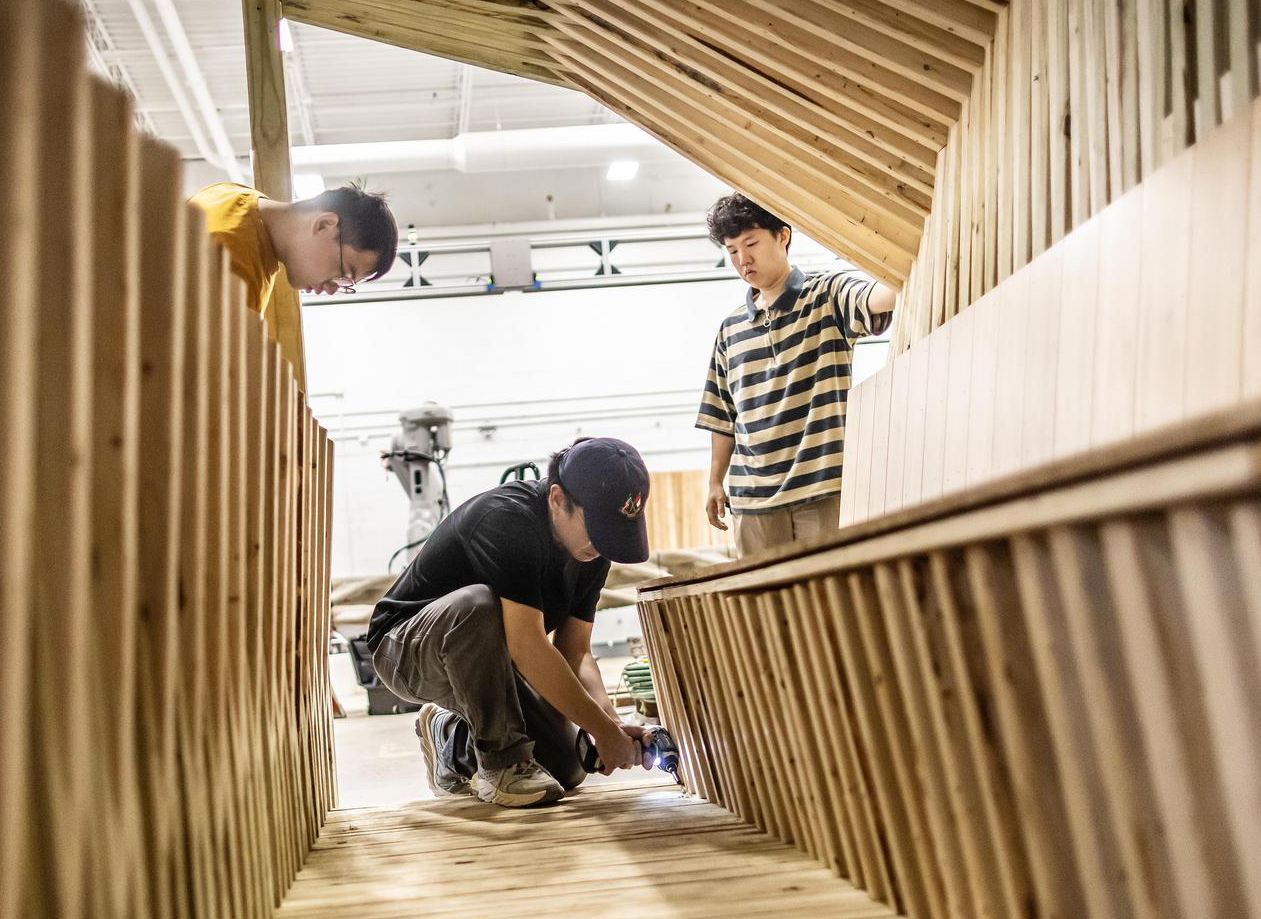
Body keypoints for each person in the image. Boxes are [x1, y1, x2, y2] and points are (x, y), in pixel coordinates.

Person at [366, 438, 655, 808]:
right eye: (596, 529)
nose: (601, 546)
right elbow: (527, 646)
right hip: (405, 650)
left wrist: (608, 725)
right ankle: (499, 765)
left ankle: (450, 738)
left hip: (489, 664)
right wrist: (600, 729)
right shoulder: (507, 520)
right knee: (478, 604)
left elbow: (576, 652)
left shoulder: (591, 553)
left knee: (566, 770)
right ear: (556, 499)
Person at [695, 193, 895, 557]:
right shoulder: (730, 329)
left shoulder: (827, 295)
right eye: (733, 250)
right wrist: (714, 481)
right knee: (765, 609)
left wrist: (905, 262)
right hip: (752, 503)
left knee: (834, 601)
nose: (744, 260)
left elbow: (880, 298)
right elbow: (722, 416)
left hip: (822, 489)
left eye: (751, 244)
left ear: (782, 236)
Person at [189, 178, 398, 385]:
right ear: (324, 225)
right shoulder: (237, 268)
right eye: (343, 273)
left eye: (345, 285)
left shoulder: (229, 193)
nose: (333, 289)